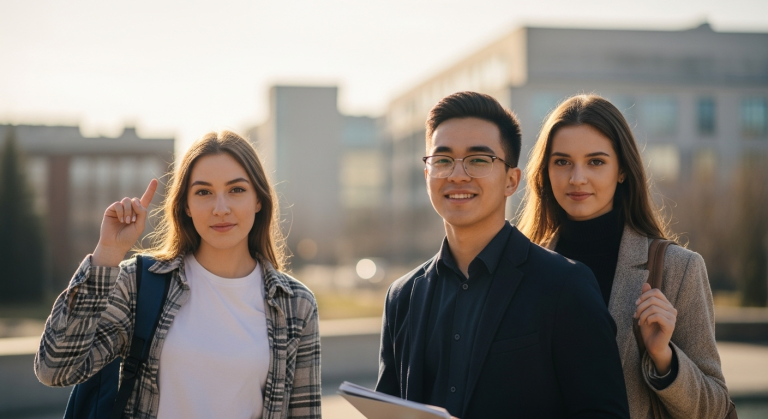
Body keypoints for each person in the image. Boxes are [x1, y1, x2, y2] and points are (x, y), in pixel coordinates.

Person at [375, 91, 630, 418]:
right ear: (427, 175)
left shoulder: (565, 285)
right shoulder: (403, 297)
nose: (457, 174)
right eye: (443, 160)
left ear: (511, 180)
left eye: (478, 160)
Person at [35, 131, 321, 419]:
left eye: (236, 190)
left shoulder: (295, 304)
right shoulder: (141, 283)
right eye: (203, 192)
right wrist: (107, 253)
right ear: (186, 205)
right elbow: (55, 369)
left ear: (258, 200)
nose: (221, 209)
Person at [518, 94, 730, 418]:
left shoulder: (679, 268)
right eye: (562, 161)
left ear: (622, 171)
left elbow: (715, 408)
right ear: (545, 171)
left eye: (596, 161)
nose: (577, 178)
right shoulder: (521, 268)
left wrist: (663, 357)